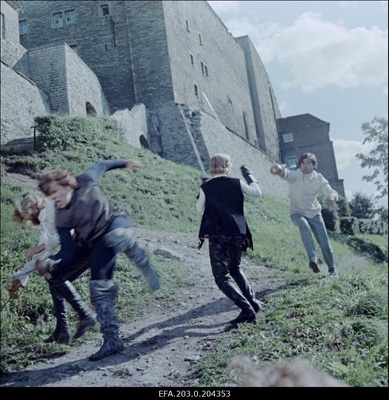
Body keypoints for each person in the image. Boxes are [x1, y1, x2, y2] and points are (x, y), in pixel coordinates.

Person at [35, 159, 160, 361]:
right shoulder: (61, 217)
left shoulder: (85, 180)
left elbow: (103, 165)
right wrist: (50, 263)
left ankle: (139, 257)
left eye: (54, 192)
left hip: (114, 223)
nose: (52, 198)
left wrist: (126, 163)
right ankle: (113, 340)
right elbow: (67, 252)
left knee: (116, 237)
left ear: (67, 184)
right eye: (48, 195)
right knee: (96, 288)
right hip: (95, 241)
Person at [9, 193, 96, 344]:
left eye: (27, 217)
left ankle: (85, 315)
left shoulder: (50, 211)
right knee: (55, 281)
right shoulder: (46, 217)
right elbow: (39, 253)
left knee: (55, 275)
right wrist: (20, 278)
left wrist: (36, 249)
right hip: (87, 244)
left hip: (90, 243)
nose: (29, 221)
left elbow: (54, 241)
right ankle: (62, 332)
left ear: (32, 210)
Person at [196, 154, 263, 326]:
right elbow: (257, 192)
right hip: (237, 233)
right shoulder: (236, 183)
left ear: (212, 166)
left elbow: (198, 210)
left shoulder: (206, 186)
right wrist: (248, 175)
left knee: (221, 278)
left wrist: (201, 191)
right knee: (235, 268)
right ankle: (253, 302)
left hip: (217, 236)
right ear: (228, 166)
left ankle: (246, 309)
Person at [270, 152, 339, 276]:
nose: (305, 165)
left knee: (325, 245)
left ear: (313, 165)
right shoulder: (296, 175)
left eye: (308, 163)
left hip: (315, 213)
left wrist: (331, 197)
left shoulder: (319, 178)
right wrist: (279, 170)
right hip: (297, 212)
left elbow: (331, 191)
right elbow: (287, 175)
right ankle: (313, 259)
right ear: (300, 165)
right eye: (303, 163)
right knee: (303, 225)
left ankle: (332, 269)